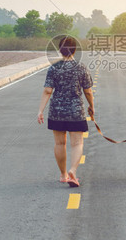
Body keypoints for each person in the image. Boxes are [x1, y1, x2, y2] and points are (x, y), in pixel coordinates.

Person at [37, 36, 94, 187]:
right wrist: (91, 106)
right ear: (75, 50)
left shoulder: (53, 68)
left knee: (60, 143)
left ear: (60, 50)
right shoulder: (81, 67)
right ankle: (73, 171)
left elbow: (48, 90)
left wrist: (40, 111)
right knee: (77, 143)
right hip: (76, 111)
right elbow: (88, 91)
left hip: (57, 111)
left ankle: (63, 175)